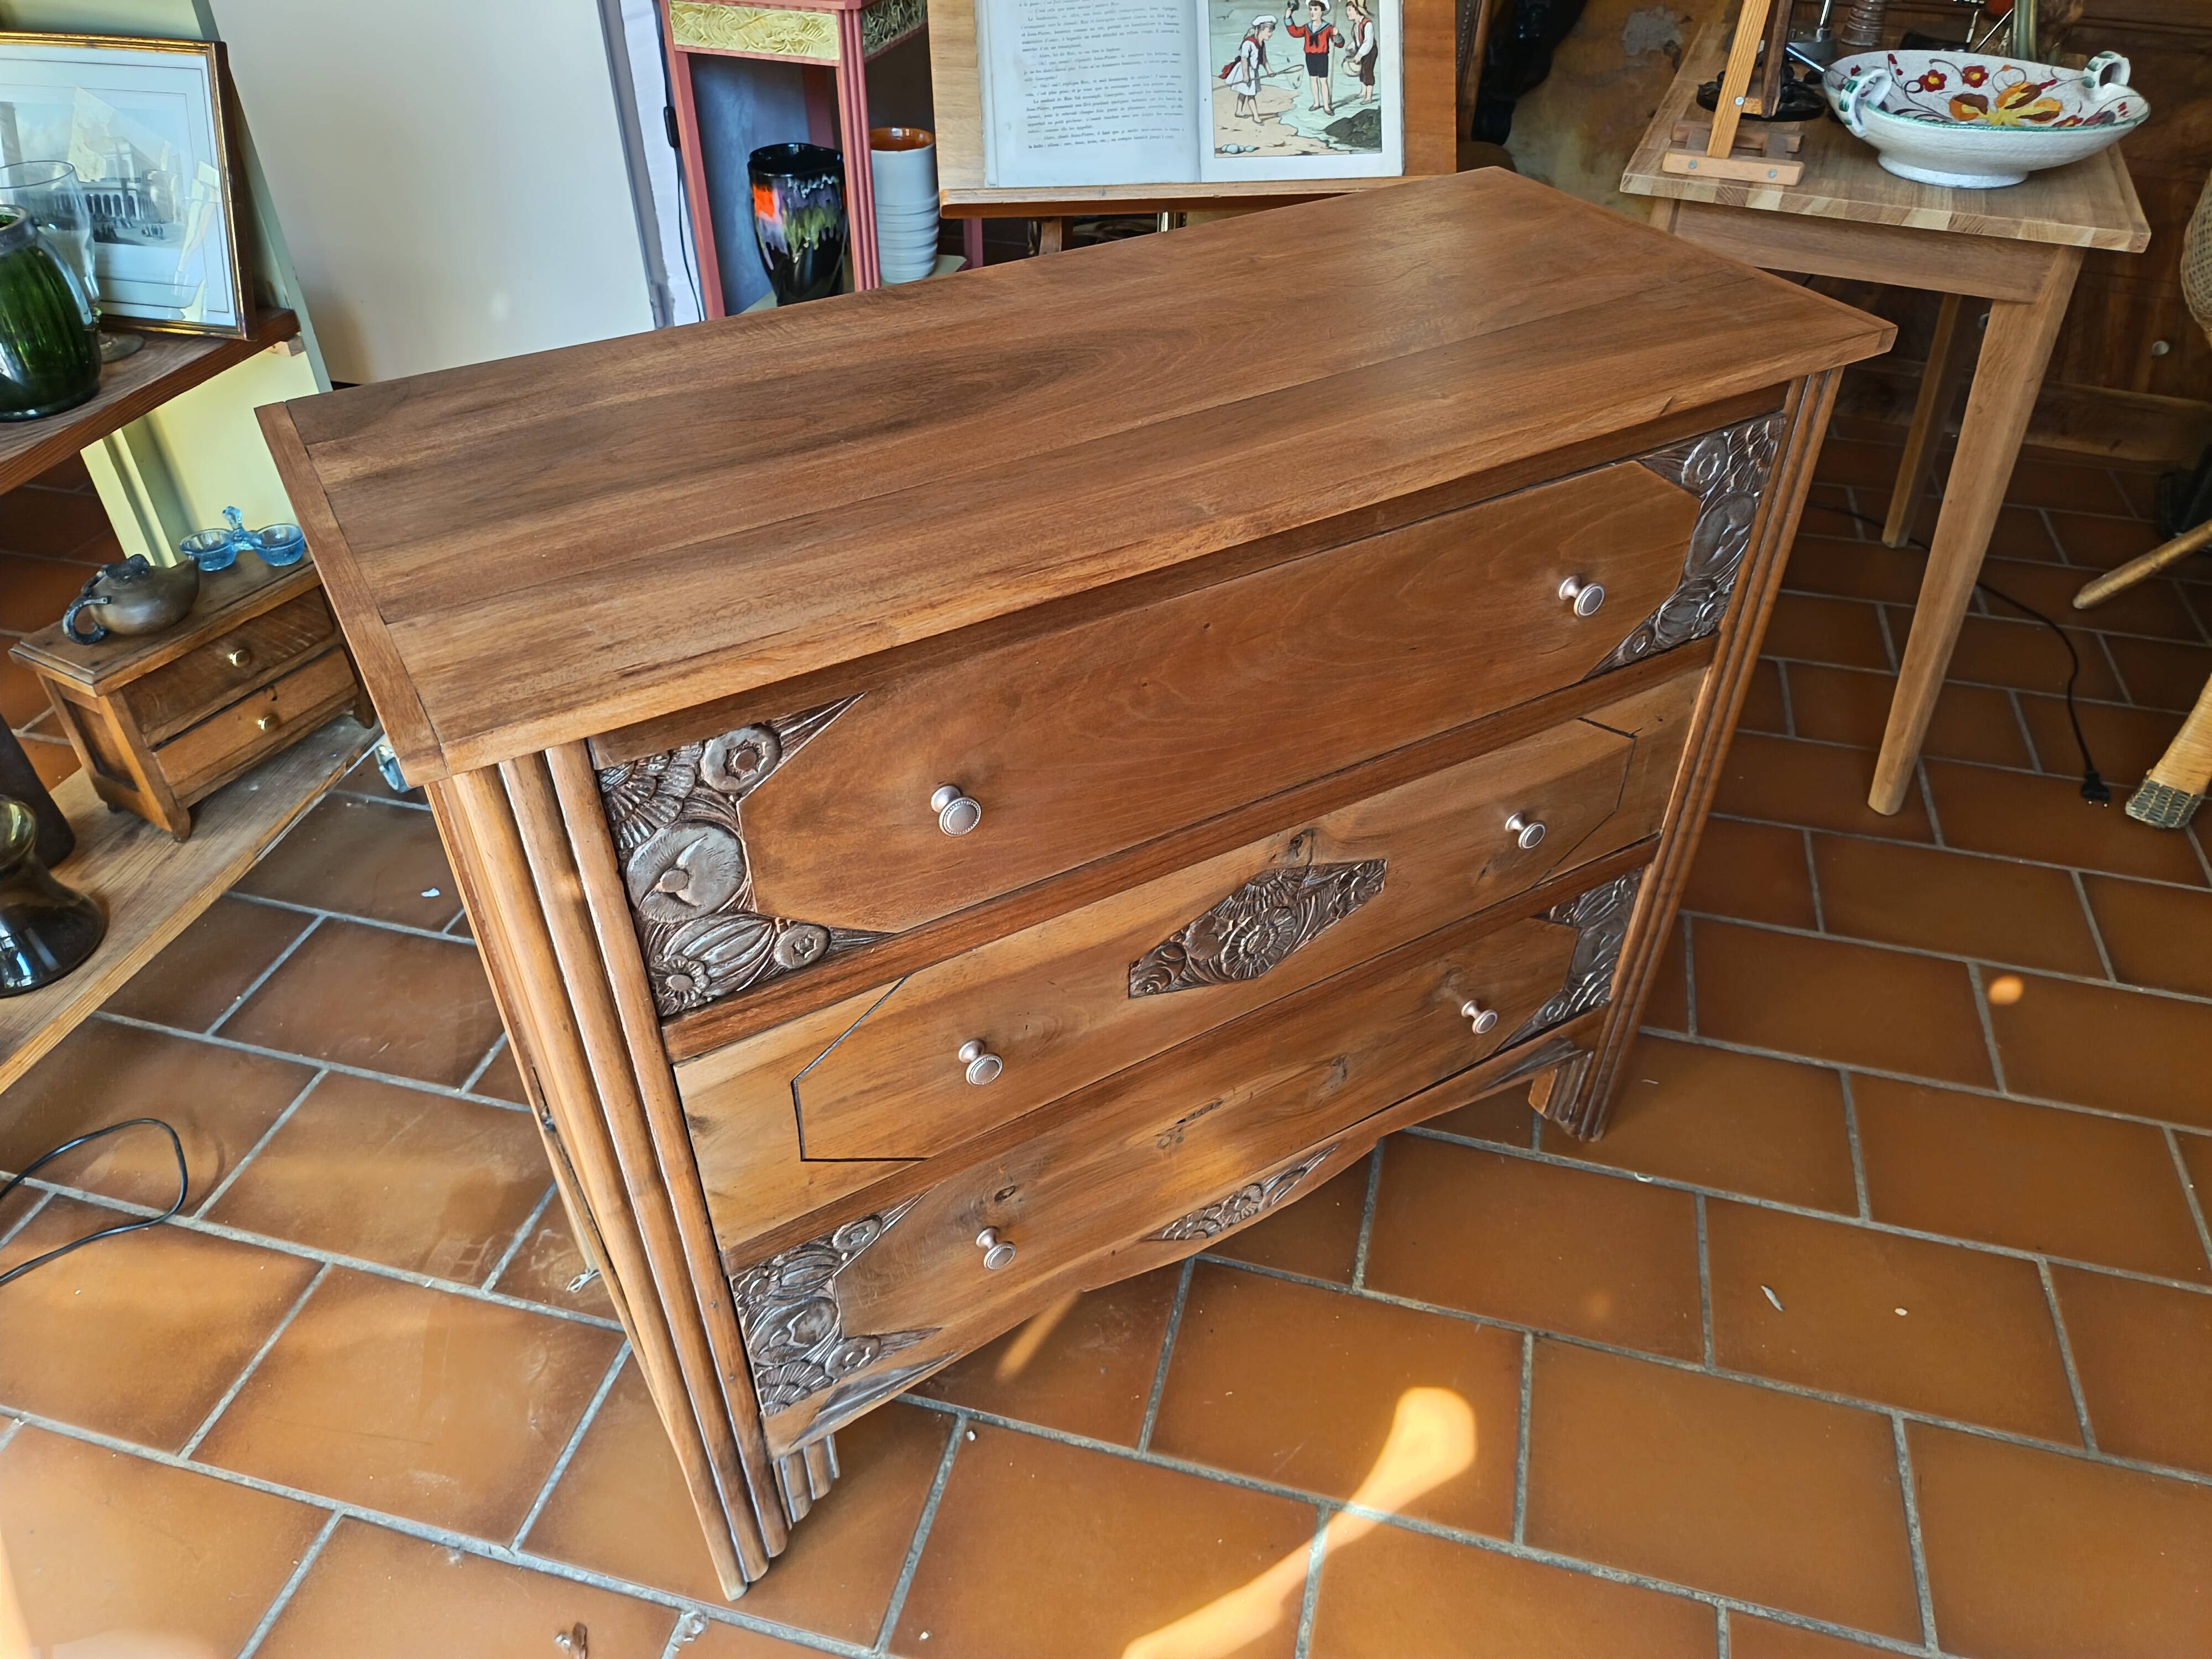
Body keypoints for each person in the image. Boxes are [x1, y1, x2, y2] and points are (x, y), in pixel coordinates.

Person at [1282, 0, 1340, 113]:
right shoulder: (1307, 27)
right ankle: (1316, 103)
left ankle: (1327, 106)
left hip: (1322, 57)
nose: (1312, 13)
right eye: (1311, 10)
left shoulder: (1328, 28)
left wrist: (1337, 34)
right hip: (1310, 57)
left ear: (1322, 12)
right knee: (1313, 80)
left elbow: (1339, 44)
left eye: (1316, 10)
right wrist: (1288, 17)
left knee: (1323, 81)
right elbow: (1295, 32)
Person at [1218, 14, 1277, 122]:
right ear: (1261, 30)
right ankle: (1256, 117)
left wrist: (1269, 71)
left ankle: (1239, 111)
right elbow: (1244, 59)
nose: (1271, 34)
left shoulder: (1262, 44)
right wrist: (1246, 75)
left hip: (1253, 71)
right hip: (1244, 70)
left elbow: (1264, 59)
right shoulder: (1248, 43)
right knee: (1251, 94)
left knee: (1245, 92)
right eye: (1269, 31)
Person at [1342, 0, 1378, 105]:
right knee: (1361, 72)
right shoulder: (1356, 26)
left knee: (1367, 72)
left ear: (1357, 11)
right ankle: (1363, 92)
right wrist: (1352, 46)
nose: (1347, 13)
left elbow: (1368, 42)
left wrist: (1360, 54)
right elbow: (1357, 40)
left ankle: (1368, 96)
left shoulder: (1367, 24)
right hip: (1361, 50)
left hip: (1370, 51)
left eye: (1350, 10)